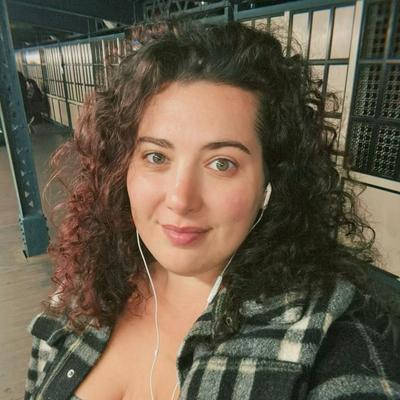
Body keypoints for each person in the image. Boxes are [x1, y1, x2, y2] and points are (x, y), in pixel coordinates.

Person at [25, 21, 400, 400]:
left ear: (271, 182)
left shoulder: (333, 338)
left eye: (222, 163)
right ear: (122, 168)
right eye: (156, 156)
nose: (181, 199)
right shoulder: (83, 294)